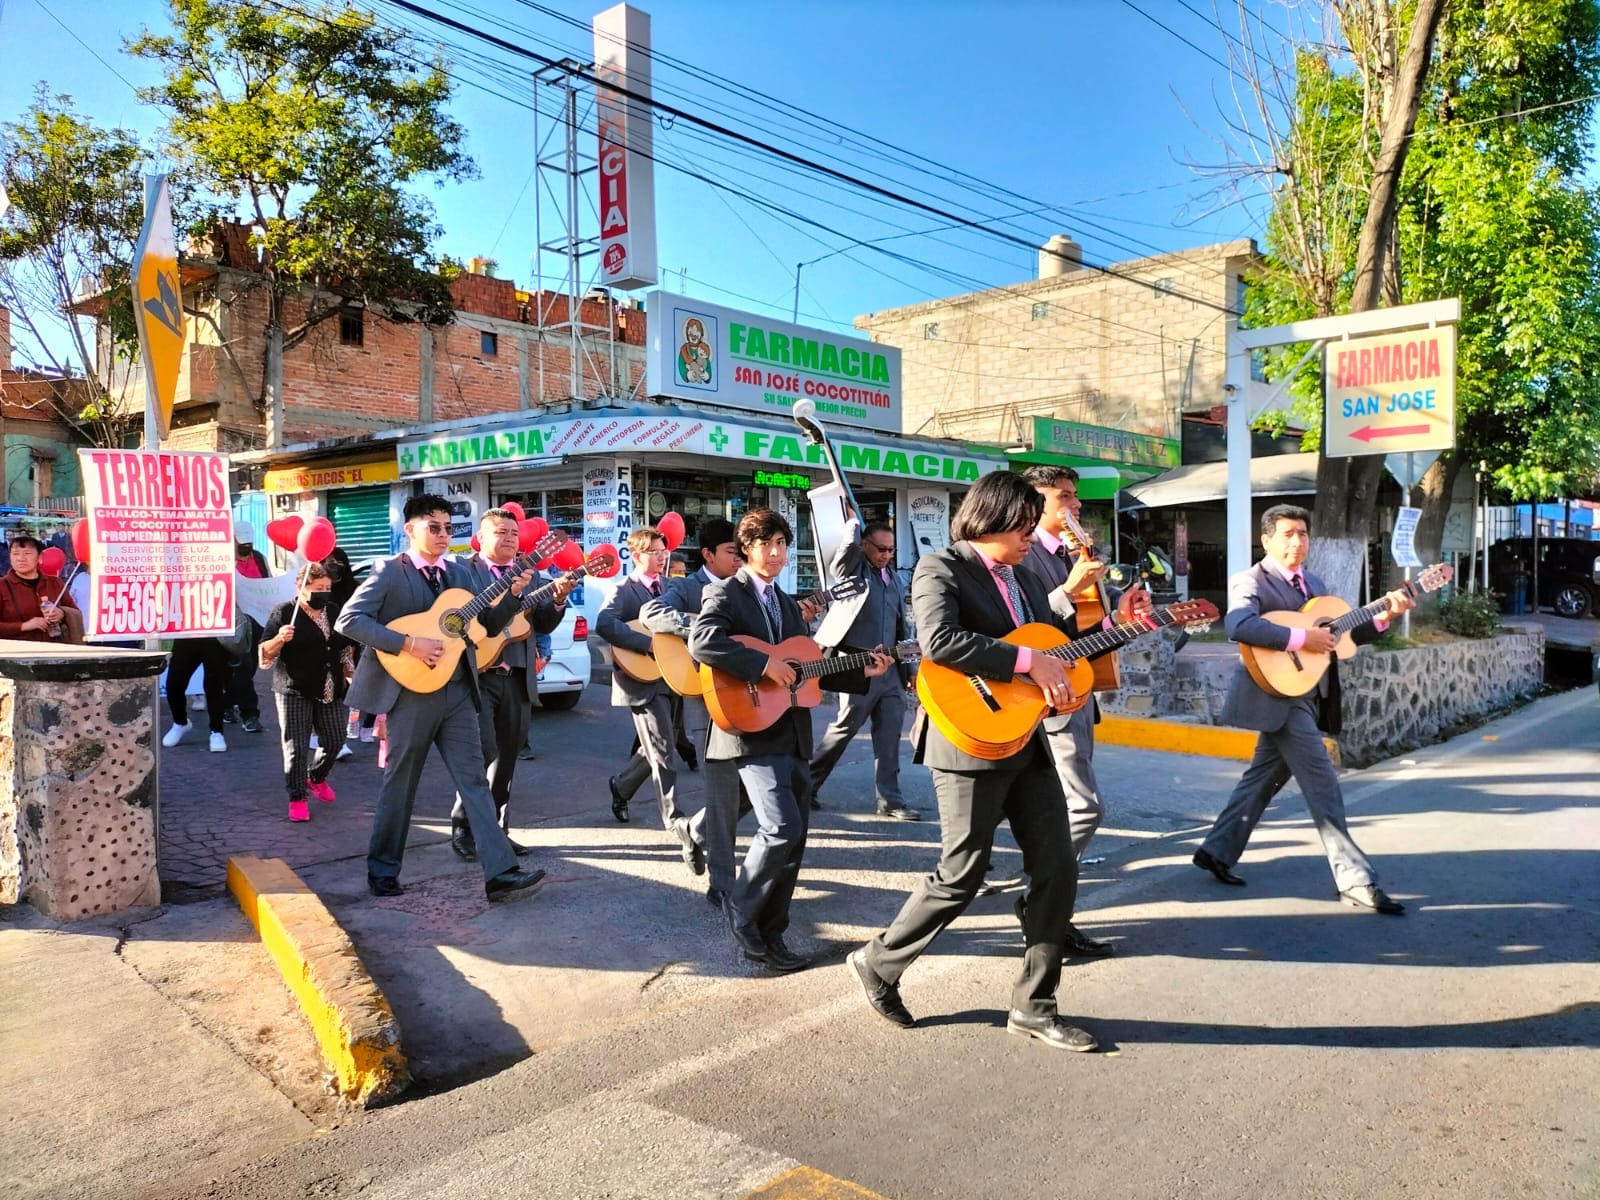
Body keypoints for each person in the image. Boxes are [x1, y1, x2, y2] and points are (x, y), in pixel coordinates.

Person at [847, 470, 1099, 1052]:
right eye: (1027, 524)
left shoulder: (1026, 578)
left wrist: (1115, 625)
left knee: (1058, 867)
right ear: (995, 517)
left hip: (1025, 737)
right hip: (968, 737)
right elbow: (941, 641)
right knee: (962, 873)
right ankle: (879, 961)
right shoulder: (941, 568)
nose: (1035, 535)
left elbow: (1054, 643)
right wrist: (1027, 663)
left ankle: (1035, 1005)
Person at [690, 508, 890, 973]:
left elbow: (805, 668)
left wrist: (863, 668)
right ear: (746, 548)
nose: (777, 552)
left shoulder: (783, 602)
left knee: (794, 840)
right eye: (767, 544)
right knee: (779, 828)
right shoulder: (723, 592)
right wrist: (761, 666)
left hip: (791, 731)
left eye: (782, 543)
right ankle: (739, 907)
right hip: (749, 731)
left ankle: (770, 933)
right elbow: (703, 642)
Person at [1192, 504, 1413, 915]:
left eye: (1303, 534)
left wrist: (1385, 617)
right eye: (1288, 534)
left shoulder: (1314, 582)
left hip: (1311, 692)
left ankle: (1217, 850)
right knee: (1324, 785)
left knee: (1262, 779)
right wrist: (1299, 639)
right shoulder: (1250, 580)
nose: (1297, 542)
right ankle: (1356, 879)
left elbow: (1341, 634)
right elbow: (1239, 625)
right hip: (1277, 694)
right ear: (1267, 540)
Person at [335, 493, 546, 902]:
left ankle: (501, 874)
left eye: (449, 529)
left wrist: (515, 595)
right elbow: (350, 621)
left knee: (474, 782)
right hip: (410, 693)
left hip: (458, 690)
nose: (444, 536)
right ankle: (382, 870)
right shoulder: (388, 573)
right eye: (435, 528)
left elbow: (485, 623)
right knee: (401, 782)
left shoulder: (458, 574)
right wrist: (407, 643)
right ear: (410, 529)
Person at [1018, 464, 1150, 958]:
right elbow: (1026, 628)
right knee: (1083, 807)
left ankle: (1050, 912)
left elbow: (1087, 632)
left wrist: (1123, 614)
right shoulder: (1024, 556)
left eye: (1075, 498)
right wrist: (1072, 586)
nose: (1075, 507)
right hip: (1043, 700)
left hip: (1076, 693)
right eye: (1063, 498)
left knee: (1062, 810)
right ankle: (1041, 905)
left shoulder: (1074, 556)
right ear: (1035, 505)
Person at [448, 508, 574, 864]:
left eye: (514, 535)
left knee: (506, 757)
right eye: (501, 533)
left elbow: (544, 624)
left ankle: (499, 830)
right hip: (475, 674)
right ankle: (464, 825)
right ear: (482, 537)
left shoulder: (532, 576)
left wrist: (560, 597)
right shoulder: (463, 573)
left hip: (516, 674)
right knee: (482, 751)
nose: (509, 539)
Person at [639, 517, 749, 906]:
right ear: (708, 554)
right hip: (704, 699)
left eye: (742, 553)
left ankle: (695, 830)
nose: (741, 560)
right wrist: (700, 629)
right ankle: (723, 884)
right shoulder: (687, 588)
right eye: (733, 553)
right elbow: (652, 613)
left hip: (749, 699)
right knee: (721, 790)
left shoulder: (749, 587)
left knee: (751, 790)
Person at [598, 526, 706, 876]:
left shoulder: (671, 588)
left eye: (664, 551)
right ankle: (674, 819)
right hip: (641, 680)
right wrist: (645, 645)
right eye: (655, 552)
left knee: (660, 744)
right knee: (663, 749)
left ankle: (621, 785)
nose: (662, 558)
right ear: (637, 555)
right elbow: (605, 623)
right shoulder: (623, 590)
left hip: (671, 677)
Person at [808, 518, 919, 821]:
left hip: (891, 671)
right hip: (854, 666)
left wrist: (910, 670)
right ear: (865, 546)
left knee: (890, 735)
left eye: (891, 550)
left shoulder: (895, 580)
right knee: (845, 729)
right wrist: (852, 527)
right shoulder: (853, 574)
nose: (885, 555)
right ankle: (807, 785)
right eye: (880, 549)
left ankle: (891, 800)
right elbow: (841, 561)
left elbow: (903, 627)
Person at [259, 562, 354, 822]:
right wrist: (280, 638)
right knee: (296, 747)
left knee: (336, 738)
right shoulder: (284, 612)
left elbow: (344, 646)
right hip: (294, 689)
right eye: (317, 588)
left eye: (327, 588)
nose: (323, 593)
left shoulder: (333, 610)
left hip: (329, 687)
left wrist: (350, 673)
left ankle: (317, 777)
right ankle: (297, 797)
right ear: (301, 588)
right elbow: (264, 652)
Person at [223, 522, 271, 733]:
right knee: (243, 665)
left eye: (248, 545)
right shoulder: (223, 560)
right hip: (234, 622)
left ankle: (225, 703)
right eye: (241, 545)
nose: (245, 550)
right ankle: (249, 714)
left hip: (257, 620)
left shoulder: (259, 558)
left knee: (250, 667)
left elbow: (268, 584)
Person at [0, 533, 78, 643]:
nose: (21, 559)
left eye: (27, 553)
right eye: (15, 554)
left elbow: (75, 612)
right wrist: (23, 626)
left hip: (54, 650)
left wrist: (62, 613)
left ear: (40, 558)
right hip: (15, 653)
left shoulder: (54, 583)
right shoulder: (2, 585)